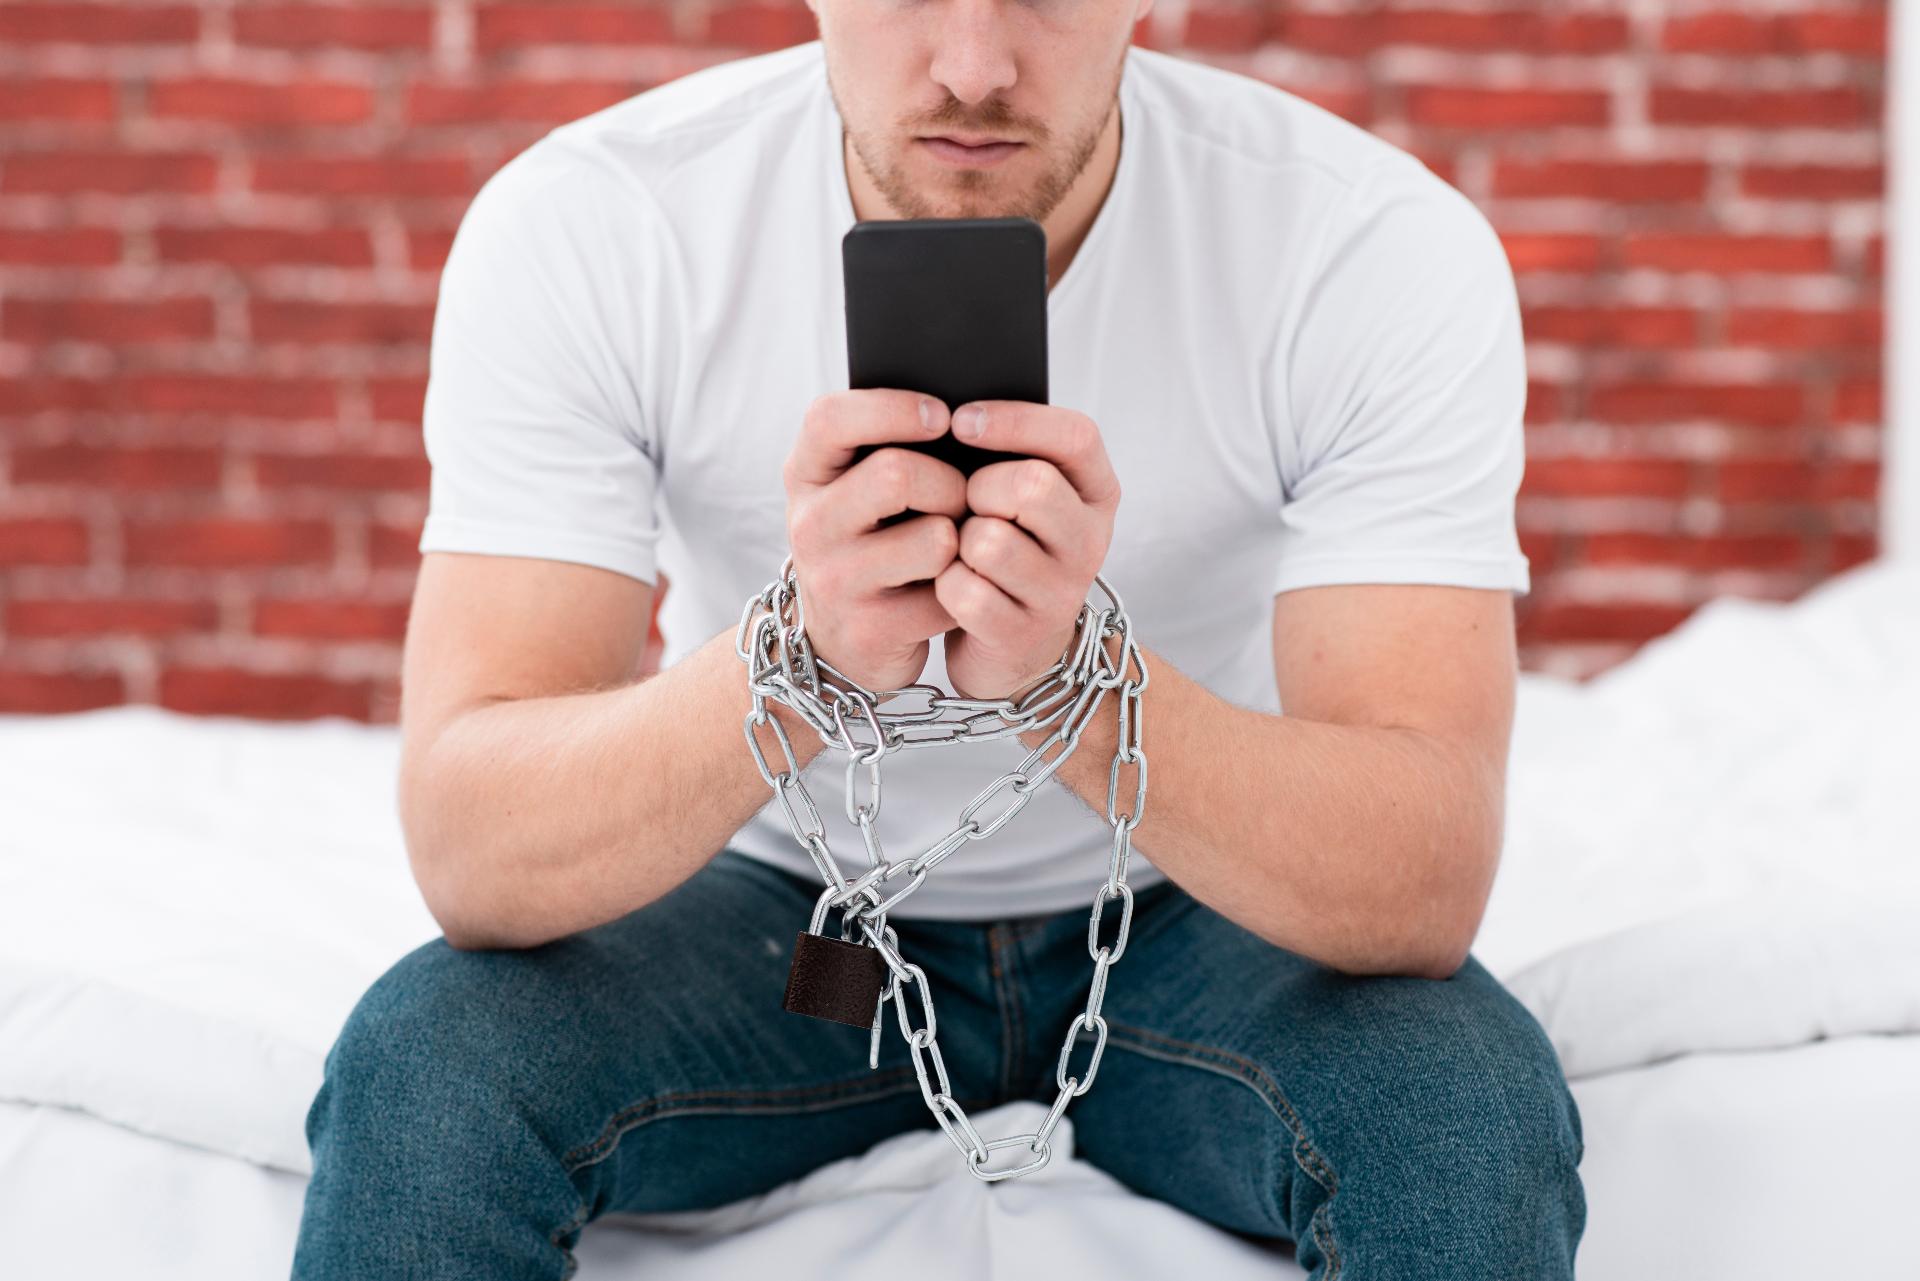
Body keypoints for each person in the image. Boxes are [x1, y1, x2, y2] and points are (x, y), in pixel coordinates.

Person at [290, 2, 1586, 1275]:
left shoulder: (1365, 247)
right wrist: (796, 657)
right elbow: (472, 844)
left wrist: (1075, 685)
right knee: (431, 1064)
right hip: (777, 916)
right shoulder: (598, 223)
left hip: (1194, 905)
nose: (974, 69)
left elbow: (1425, 875)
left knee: (1461, 1100)